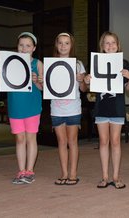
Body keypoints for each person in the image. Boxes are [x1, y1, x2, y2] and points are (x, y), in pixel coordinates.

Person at [84, 31, 129, 189]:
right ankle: (105, 176)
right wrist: (86, 81)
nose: (110, 45)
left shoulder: (124, 63)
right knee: (103, 141)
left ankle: (116, 176)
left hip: (117, 108)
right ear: (102, 46)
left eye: (113, 43)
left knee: (115, 141)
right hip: (101, 108)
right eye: (107, 43)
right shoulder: (96, 62)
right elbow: (87, 88)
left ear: (118, 45)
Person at [0, 32, 43, 185]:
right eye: (21, 45)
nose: (24, 48)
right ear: (17, 47)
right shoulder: (10, 62)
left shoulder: (37, 63)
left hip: (32, 106)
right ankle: (21, 171)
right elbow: (2, 86)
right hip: (15, 106)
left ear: (33, 48)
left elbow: (42, 88)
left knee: (30, 138)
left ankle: (30, 171)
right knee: (20, 139)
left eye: (28, 46)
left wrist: (36, 80)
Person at [50, 33, 87, 186]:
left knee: (72, 142)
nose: (63, 46)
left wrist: (82, 80)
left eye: (67, 43)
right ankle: (64, 173)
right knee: (61, 141)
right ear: (56, 45)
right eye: (60, 43)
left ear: (71, 46)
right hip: (56, 109)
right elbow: (47, 87)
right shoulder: (50, 64)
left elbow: (84, 89)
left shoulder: (78, 64)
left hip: (73, 108)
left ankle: (73, 174)